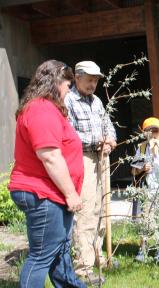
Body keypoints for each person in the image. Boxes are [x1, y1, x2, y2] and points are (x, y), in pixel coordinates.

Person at [8, 60, 86, 288]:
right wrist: (71, 194)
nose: (68, 92)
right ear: (56, 82)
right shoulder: (41, 109)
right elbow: (50, 156)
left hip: (50, 192)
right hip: (43, 192)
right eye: (68, 86)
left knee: (58, 250)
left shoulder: (42, 108)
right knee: (41, 256)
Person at [64, 60, 117, 284]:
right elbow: (69, 134)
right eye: (90, 79)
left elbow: (109, 125)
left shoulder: (96, 101)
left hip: (101, 157)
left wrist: (111, 141)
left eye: (96, 80)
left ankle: (99, 256)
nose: (93, 84)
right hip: (82, 158)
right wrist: (98, 140)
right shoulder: (68, 101)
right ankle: (83, 270)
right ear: (77, 77)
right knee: (86, 214)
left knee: (101, 209)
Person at [131, 117, 159, 263]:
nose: (152, 134)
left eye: (155, 131)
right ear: (144, 133)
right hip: (149, 189)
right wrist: (142, 169)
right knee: (146, 220)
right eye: (149, 131)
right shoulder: (142, 148)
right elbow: (133, 171)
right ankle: (142, 249)